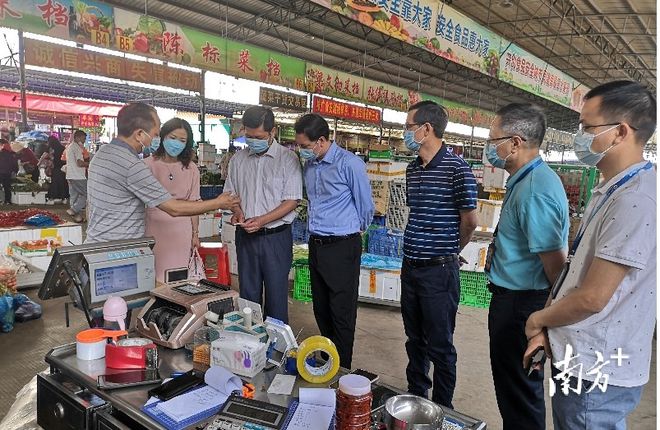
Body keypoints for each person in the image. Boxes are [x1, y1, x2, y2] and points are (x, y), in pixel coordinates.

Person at [524, 81, 656, 430]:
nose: (579, 137)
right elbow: (573, 271)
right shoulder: (612, 187)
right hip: (578, 355)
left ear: (621, 132)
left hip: (596, 366)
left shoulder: (636, 200)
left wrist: (538, 320)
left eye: (587, 127)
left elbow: (594, 297)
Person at [484, 103, 568, 429]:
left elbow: (555, 269)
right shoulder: (526, 180)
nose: (491, 148)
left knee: (520, 394)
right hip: (514, 300)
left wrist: (544, 321)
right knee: (514, 392)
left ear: (515, 143)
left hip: (522, 306)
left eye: (494, 140)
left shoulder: (534, 191)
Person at [400, 101, 477, 409]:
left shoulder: (457, 169)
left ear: (426, 129)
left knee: (440, 345)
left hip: (439, 272)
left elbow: (469, 222)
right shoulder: (412, 169)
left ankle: (443, 408)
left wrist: (448, 251)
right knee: (414, 339)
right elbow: (417, 214)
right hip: (411, 267)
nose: (405, 133)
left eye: (408, 127)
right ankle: (417, 399)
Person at [86, 102, 240, 244]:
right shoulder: (133, 165)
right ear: (139, 134)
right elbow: (173, 208)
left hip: (97, 242)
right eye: (154, 134)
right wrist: (218, 203)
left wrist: (194, 232)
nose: (155, 139)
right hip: (118, 249)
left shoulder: (103, 153)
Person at [294, 113, 374, 369]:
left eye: (305, 146)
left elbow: (366, 207)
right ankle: (329, 359)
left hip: (342, 245)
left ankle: (342, 368)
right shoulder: (310, 165)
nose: (301, 151)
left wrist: (353, 233)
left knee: (342, 312)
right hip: (317, 244)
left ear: (321, 141)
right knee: (322, 308)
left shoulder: (349, 164)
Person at [225, 106, 302, 323]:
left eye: (258, 137)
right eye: (248, 136)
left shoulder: (288, 159)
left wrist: (262, 221)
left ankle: (276, 348)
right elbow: (231, 195)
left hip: (276, 238)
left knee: (277, 295)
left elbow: (292, 200)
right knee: (248, 297)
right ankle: (250, 344)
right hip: (246, 237)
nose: (252, 141)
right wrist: (238, 213)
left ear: (272, 132)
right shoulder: (238, 160)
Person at [145, 118, 202, 283]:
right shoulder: (147, 165)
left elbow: (195, 204)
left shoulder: (191, 168)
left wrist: (195, 234)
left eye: (182, 140)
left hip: (181, 233)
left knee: (179, 279)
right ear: (163, 137)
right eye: (173, 138)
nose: (176, 143)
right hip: (153, 231)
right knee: (153, 277)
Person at [65, 130, 90, 223]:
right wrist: (89, 164)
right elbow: (79, 163)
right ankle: (74, 210)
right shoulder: (77, 148)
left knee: (75, 196)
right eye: (83, 138)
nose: (84, 140)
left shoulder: (70, 147)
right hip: (78, 176)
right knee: (88, 194)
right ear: (78, 137)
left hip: (70, 175)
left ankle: (77, 217)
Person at [46, 136, 68, 203]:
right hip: (62, 168)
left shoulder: (53, 150)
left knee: (55, 183)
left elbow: (53, 159)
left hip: (56, 168)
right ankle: (64, 197)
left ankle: (53, 196)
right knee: (62, 183)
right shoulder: (62, 148)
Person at [0, 139, 17, 204]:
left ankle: (2, 200)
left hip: (1, 172)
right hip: (8, 173)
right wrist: (15, 170)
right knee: (7, 187)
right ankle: (8, 200)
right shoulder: (11, 154)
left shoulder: (1, 153)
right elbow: (14, 164)